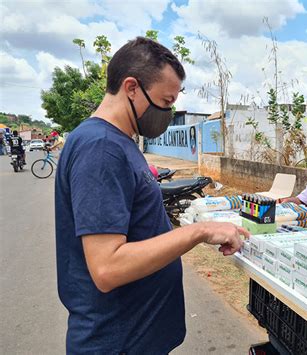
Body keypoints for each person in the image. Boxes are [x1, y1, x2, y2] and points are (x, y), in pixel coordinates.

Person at [55, 37, 248, 354]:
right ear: (131, 87)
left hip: (134, 336)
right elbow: (107, 268)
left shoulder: (118, 141)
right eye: (165, 101)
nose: (167, 112)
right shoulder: (101, 148)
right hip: (119, 341)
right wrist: (198, 232)